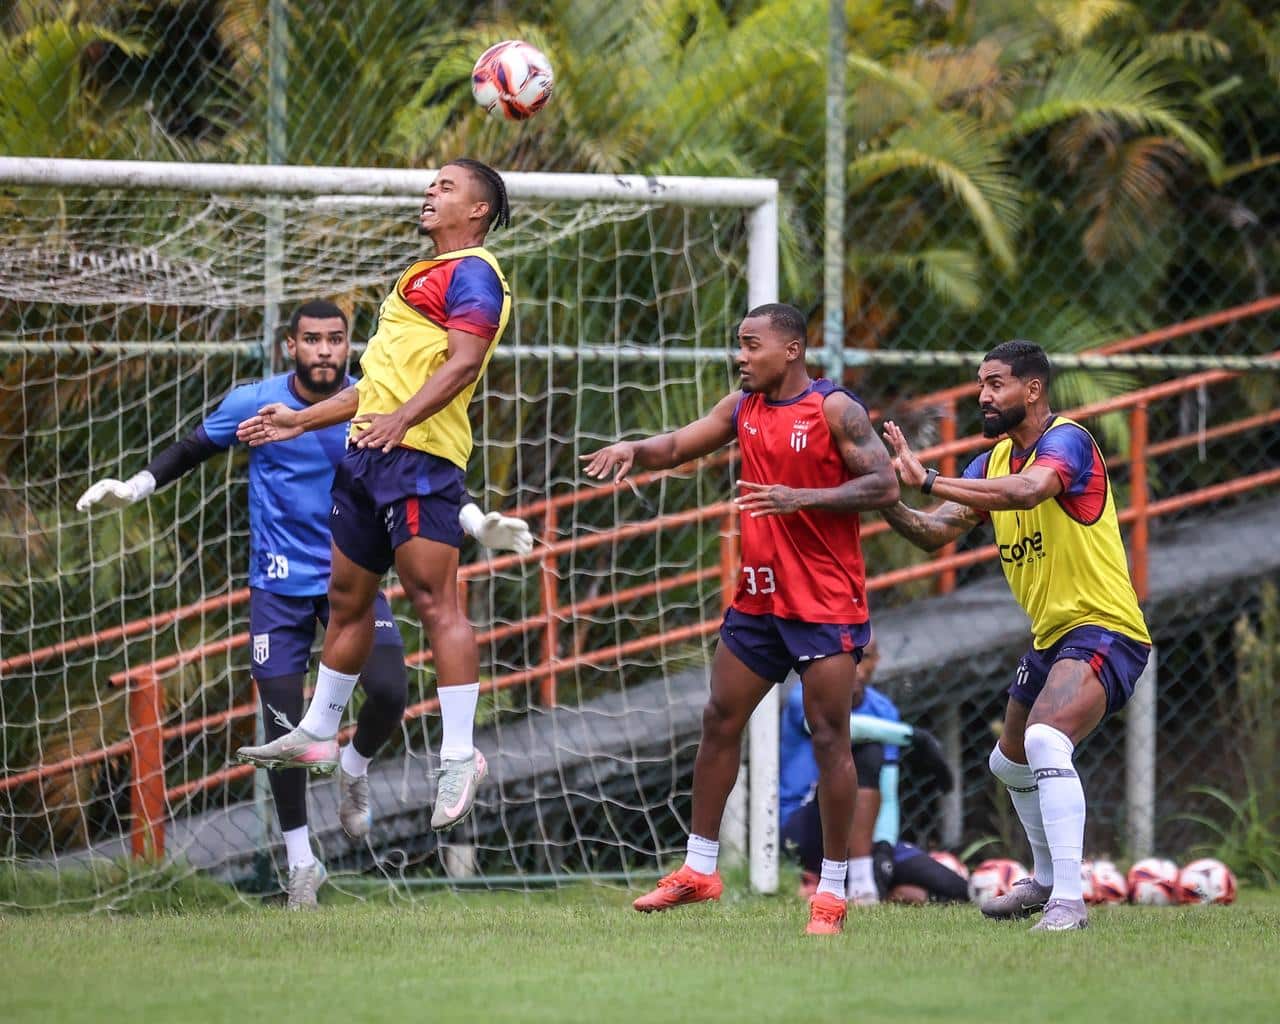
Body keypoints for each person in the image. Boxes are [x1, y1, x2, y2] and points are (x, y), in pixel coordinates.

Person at [75, 300, 531, 909]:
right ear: (291, 345)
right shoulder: (255, 402)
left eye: (335, 340)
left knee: (392, 690)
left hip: (352, 580)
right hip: (278, 585)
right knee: (285, 724)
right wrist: (133, 489)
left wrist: (475, 523)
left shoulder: (372, 400)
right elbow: (190, 449)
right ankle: (301, 865)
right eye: (312, 339)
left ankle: (354, 765)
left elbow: (429, 470)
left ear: (349, 346)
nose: (324, 350)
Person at [583, 302, 899, 935]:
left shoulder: (836, 410)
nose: (741, 355)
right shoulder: (742, 408)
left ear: (792, 350)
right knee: (719, 717)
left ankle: (832, 895)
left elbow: (886, 486)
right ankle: (699, 871)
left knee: (830, 736)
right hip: (759, 598)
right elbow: (677, 444)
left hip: (824, 602)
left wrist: (802, 498)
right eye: (739, 344)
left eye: (752, 344)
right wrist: (634, 449)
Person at [233, 159, 518, 838]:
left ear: (476, 211)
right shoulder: (418, 279)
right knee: (348, 600)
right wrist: (300, 419)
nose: (430, 192)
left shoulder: (474, 271)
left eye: (446, 187)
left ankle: (457, 757)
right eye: (432, 184)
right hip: (368, 458)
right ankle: (318, 732)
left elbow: (464, 362)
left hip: (419, 462)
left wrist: (403, 422)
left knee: (433, 602)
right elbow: (376, 385)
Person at [880, 339, 1151, 932]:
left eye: (995, 383)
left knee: (1048, 742)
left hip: (1106, 625)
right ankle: (1047, 881)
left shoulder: (1068, 440)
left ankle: (1069, 904)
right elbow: (934, 534)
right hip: (1053, 635)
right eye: (981, 384)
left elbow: (1030, 491)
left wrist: (927, 479)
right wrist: (883, 495)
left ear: (1032, 389)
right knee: (1008, 762)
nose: (983, 395)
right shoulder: (991, 463)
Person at [779, 632, 963, 905]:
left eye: (861, 658)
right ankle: (862, 887)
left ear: (876, 661)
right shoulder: (803, 696)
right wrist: (913, 736)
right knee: (867, 751)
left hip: (863, 835)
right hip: (805, 826)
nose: (852, 668)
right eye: (841, 658)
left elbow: (887, 789)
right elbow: (839, 729)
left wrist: (885, 848)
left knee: (954, 887)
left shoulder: (883, 710)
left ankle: (870, 883)